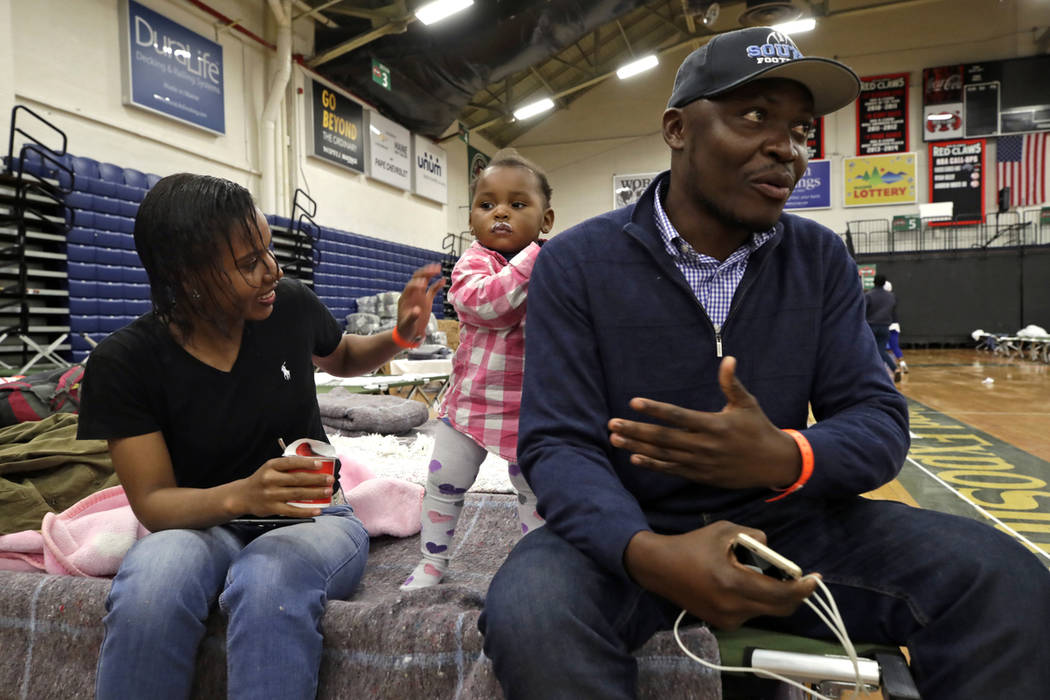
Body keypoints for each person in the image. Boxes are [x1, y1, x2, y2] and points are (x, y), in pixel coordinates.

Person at [478, 26, 1050, 700]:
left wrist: (784, 456)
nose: (787, 148)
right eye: (754, 116)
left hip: (787, 529)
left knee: (1006, 581)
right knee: (531, 615)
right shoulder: (576, 262)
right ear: (677, 129)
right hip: (625, 532)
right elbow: (557, 442)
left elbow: (877, 420)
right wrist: (649, 553)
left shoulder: (819, 259)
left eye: (800, 129)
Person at [76, 173, 444, 699]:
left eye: (268, 251)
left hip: (315, 516)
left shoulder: (289, 306)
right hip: (204, 521)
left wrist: (401, 336)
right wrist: (242, 495)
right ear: (187, 276)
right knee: (152, 586)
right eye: (250, 263)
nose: (272, 270)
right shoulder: (124, 364)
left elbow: (341, 356)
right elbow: (154, 503)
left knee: (269, 580)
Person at [402, 148, 552, 589]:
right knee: (445, 482)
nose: (500, 213)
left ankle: (536, 567)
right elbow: (489, 305)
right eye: (487, 205)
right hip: (470, 406)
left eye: (517, 204)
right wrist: (536, 256)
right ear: (471, 220)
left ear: (546, 218)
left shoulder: (554, 266)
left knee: (535, 494)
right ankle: (432, 563)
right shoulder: (475, 263)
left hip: (531, 408)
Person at [865, 273, 901, 382]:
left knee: (867, 350)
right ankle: (881, 372)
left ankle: (871, 373)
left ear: (874, 282)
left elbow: (863, 311)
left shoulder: (869, 295)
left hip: (871, 327)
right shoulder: (891, 296)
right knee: (881, 350)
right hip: (885, 327)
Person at [884, 280, 908, 373]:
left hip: (884, 325)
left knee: (878, 346)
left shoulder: (880, 297)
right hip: (894, 325)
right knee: (894, 346)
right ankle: (903, 365)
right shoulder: (894, 297)